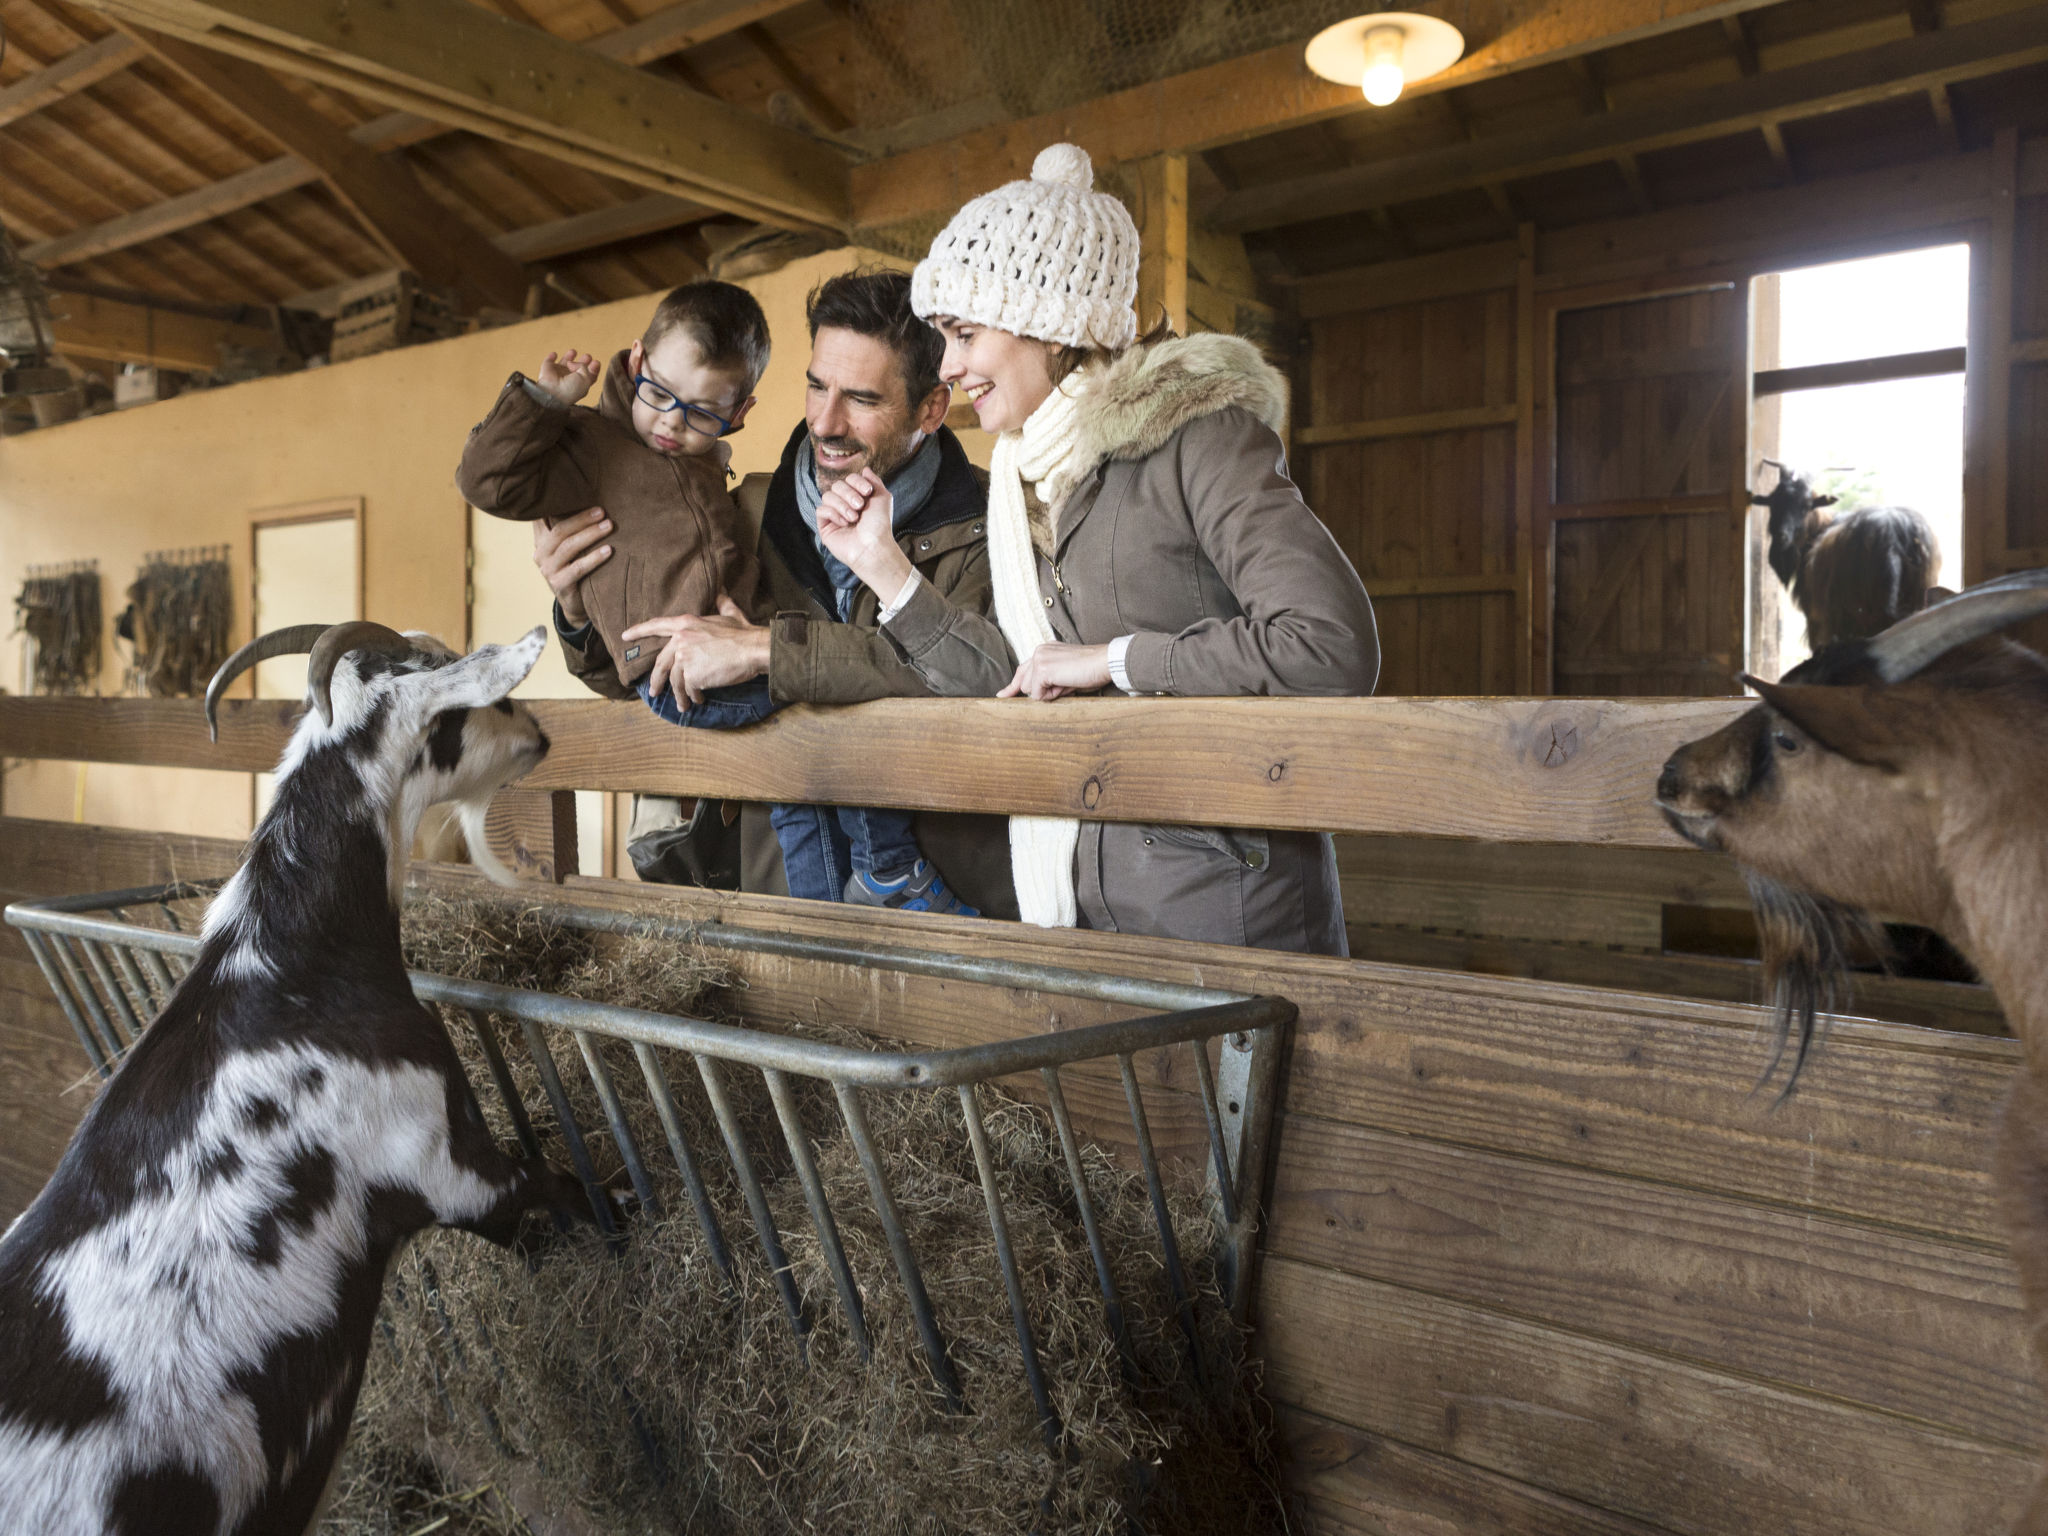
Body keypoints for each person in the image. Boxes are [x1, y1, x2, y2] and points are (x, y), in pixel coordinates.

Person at [814, 144, 1379, 956]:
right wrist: (884, 568)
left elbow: (1330, 646)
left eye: (965, 332)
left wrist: (1114, 661)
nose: (950, 365)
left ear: (1052, 325)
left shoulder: (1202, 439)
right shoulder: (1017, 475)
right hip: (1083, 908)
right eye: (944, 336)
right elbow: (1015, 678)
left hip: (1226, 912)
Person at [462, 278, 965, 914]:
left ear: (930, 408)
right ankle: (861, 893)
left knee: (812, 725)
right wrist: (574, 610)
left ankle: (876, 881)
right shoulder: (745, 505)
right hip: (760, 885)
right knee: (805, 737)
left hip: (955, 906)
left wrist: (767, 651)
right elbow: (627, 670)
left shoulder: (989, 523)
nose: (827, 420)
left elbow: (972, 671)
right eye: (816, 387)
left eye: (862, 398)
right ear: (638, 362)